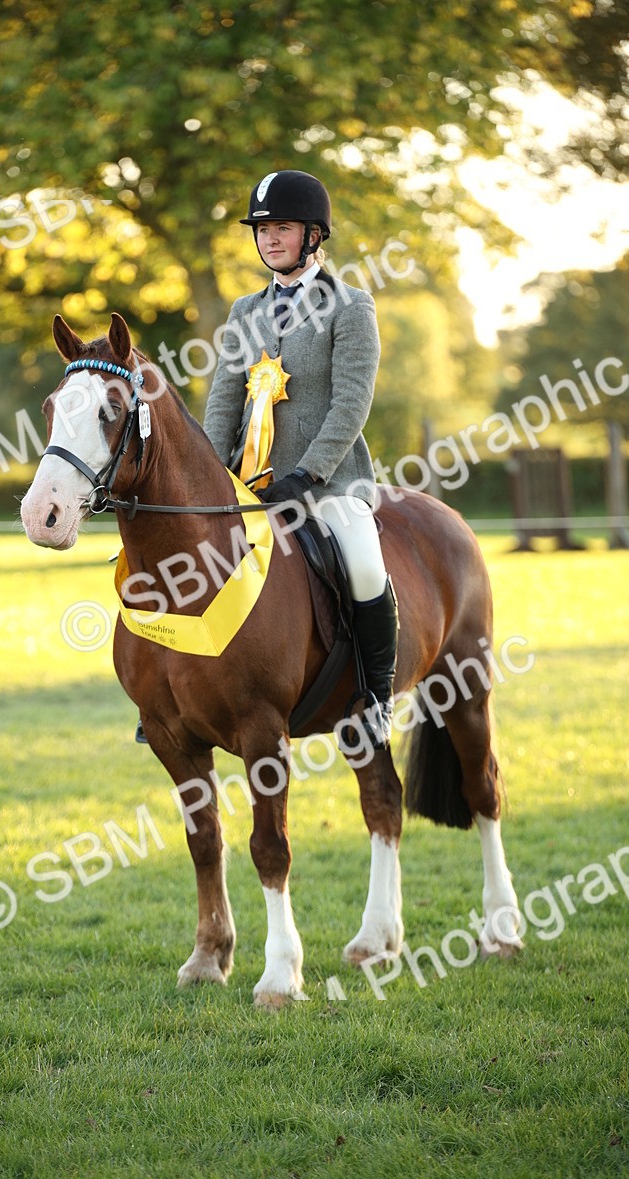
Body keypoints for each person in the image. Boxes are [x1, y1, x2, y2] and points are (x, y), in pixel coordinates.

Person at [201, 168, 399, 750]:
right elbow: (222, 402)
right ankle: (169, 696)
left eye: (281, 228)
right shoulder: (243, 311)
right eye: (261, 230)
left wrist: (307, 473)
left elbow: (350, 404)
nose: (268, 240)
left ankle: (376, 697)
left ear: (314, 235)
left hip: (330, 484)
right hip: (248, 484)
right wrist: (212, 478)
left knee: (363, 564)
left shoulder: (350, 306)